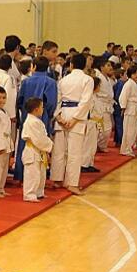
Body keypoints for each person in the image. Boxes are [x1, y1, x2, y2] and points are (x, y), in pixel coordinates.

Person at [51, 53, 94, 195]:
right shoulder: (88, 80)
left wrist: (58, 117)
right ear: (85, 65)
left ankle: (57, 179)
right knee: (74, 152)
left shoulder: (63, 80)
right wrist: (75, 119)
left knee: (59, 150)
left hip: (63, 112)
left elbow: (57, 100)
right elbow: (86, 101)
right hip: (77, 115)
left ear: (71, 65)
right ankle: (72, 183)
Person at [21, 97, 53, 203]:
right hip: (32, 150)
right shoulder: (31, 122)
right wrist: (50, 145)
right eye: (41, 107)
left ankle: (39, 192)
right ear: (36, 109)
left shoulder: (36, 121)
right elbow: (39, 139)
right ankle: (29, 194)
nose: (43, 109)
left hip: (39, 151)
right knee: (32, 174)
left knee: (41, 174)